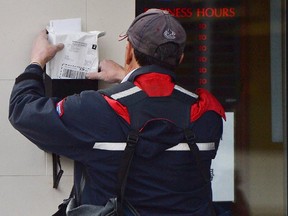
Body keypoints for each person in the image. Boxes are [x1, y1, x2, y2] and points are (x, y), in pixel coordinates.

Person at [9, 9, 226, 215]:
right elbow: (161, 115)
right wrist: (126, 78)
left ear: (129, 50)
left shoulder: (96, 110)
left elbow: (23, 110)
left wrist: (36, 62)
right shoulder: (208, 115)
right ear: (180, 58)